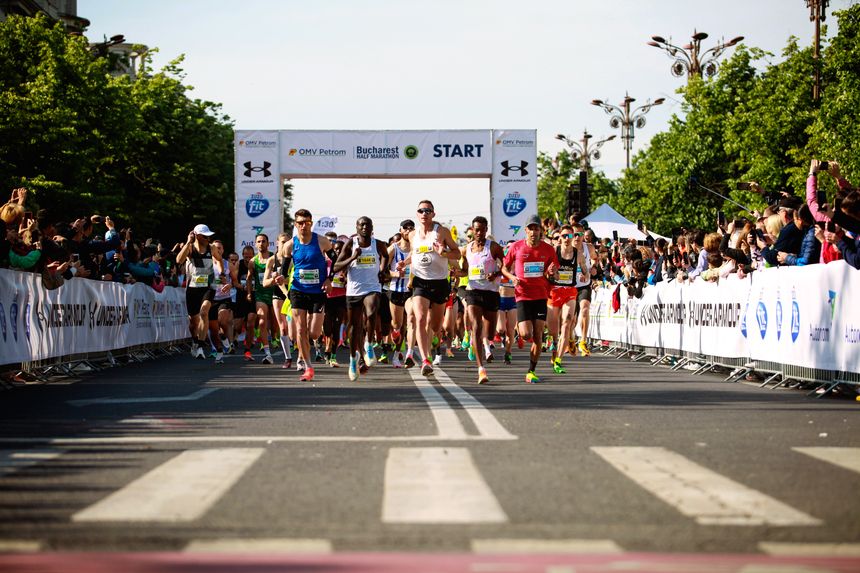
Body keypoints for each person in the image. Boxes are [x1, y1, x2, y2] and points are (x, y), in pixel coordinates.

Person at [398, 200, 460, 376]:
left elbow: (456, 252)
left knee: (435, 325)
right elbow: (414, 253)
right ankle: (426, 360)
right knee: (420, 318)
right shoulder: (412, 235)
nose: (424, 213)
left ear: (433, 214)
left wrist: (444, 253)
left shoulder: (442, 232)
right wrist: (405, 262)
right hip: (420, 281)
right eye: (421, 210)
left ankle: (431, 345)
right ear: (417, 214)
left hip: (439, 283)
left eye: (428, 210)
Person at [275, 210, 334, 382]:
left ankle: (306, 349)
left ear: (311, 223)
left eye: (307, 222)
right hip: (298, 290)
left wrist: (329, 279)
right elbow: (284, 270)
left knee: (314, 333)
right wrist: (280, 277)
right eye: (300, 223)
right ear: (295, 224)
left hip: (317, 292)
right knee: (300, 329)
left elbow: (334, 259)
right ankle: (308, 367)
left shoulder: (322, 241)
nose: (303, 226)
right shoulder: (290, 246)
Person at [502, 214, 559, 384]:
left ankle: (531, 371)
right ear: (525, 230)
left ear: (541, 231)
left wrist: (551, 272)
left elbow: (554, 274)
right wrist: (511, 278)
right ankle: (520, 331)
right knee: (526, 335)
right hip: (522, 295)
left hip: (541, 295)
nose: (534, 232)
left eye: (537, 229)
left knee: (538, 336)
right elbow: (504, 268)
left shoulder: (548, 250)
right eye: (531, 229)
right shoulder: (517, 247)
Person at [334, 216, 389, 381]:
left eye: (367, 224)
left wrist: (382, 269)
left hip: (372, 287)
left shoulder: (377, 244)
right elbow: (337, 266)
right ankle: (352, 359)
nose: (364, 227)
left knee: (372, 312)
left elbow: (385, 255)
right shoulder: (351, 244)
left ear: (372, 227)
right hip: (353, 290)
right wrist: (352, 257)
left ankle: (368, 344)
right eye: (361, 224)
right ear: (357, 227)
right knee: (354, 327)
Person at [460, 216, 505, 384]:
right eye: (476, 229)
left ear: (486, 230)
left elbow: (506, 267)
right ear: (472, 230)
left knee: (490, 332)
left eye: (482, 229)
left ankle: (486, 344)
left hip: (491, 293)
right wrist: (457, 274)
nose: (479, 233)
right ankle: (481, 369)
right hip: (473, 292)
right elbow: (465, 271)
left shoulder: (493, 248)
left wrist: (496, 274)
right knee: (476, 328)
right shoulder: (467, 249)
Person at [547, 225, 587, 373]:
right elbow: (546, 272)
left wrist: (585, 276)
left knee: (566, 323)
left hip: (570, 292)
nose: (566, 239)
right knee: (553, 330)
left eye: (569, 236)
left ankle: (558, 360)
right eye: (563, 236)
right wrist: (550, 273)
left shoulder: (578, 254)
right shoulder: (554, 252)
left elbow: (587, 272)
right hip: (554, 292)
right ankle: (553, 348)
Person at [176, 224, 215, 359]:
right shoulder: (190, 248)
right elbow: (179, 260)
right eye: (205, 236)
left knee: (204, 312)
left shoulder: (212, 248)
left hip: (209, 287)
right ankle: (194, 340)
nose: (208, 238)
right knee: (193, 322)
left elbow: (220, 262)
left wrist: (221, 277)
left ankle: (200, 346)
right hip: (192, 288)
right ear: (197, 236)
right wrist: (188, 242)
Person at [388, 221, 415, 368]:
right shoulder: (393, 248)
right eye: (405, 228)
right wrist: (395, 273)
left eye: (411, 228)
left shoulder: (417, 248)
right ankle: (396, 334)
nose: (408, 230)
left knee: (410, 321)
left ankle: (400, 355)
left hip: (411, 291)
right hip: (396, 290)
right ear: (400, 230)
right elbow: (383, 270)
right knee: (397, 325)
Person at [205, 239, 237, 364]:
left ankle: (223, 339)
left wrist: (229, 285)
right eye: (215, 248)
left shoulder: (227, 264)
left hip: (224, 298)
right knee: (213, 328)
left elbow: (234, 281)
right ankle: (219, 350)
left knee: (222, 320)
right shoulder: (206, 263)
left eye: (220, 248)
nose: (217, 250)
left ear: (223, 250)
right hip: (210, 297)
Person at [249, 234, 276, 364]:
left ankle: (275, 338)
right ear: (255, 244)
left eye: (263, 241)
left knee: (276, 322)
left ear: (268, 243)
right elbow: (249, 279)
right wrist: (249, 292)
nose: (261, 244)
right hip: (260, 294)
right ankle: (267, 353)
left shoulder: (274, 258)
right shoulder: (253, 262)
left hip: (275, 293)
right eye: (258, 242)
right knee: (261, 321)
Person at [573, 224, 597, 356]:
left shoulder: (589, 247)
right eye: (574, 234)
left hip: (584, 285)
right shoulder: (565, 249)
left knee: (585, 309)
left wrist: (593, 268)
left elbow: (594, 259)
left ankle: (583, 341)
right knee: (572, 317)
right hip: (569, 286)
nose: (577, 237)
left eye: (580, 234)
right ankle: (570, 339)